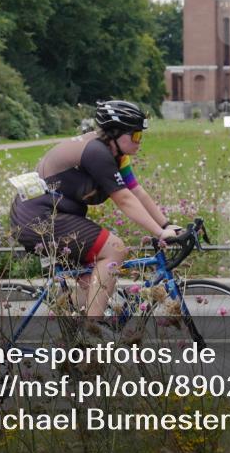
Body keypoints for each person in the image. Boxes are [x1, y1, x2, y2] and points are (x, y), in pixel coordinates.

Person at [9, 100, 179, 319]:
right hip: (39, 218)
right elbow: (125, 199)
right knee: (115, 248)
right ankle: (92, 329)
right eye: (136, 135)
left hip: (46, 215)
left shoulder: (116, 155)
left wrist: (166, 225)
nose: (140, 141)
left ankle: (82, 339)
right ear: (116, 134)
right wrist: (159, 233)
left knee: (93, 286)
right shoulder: (97, 152)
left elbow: (136, 191)